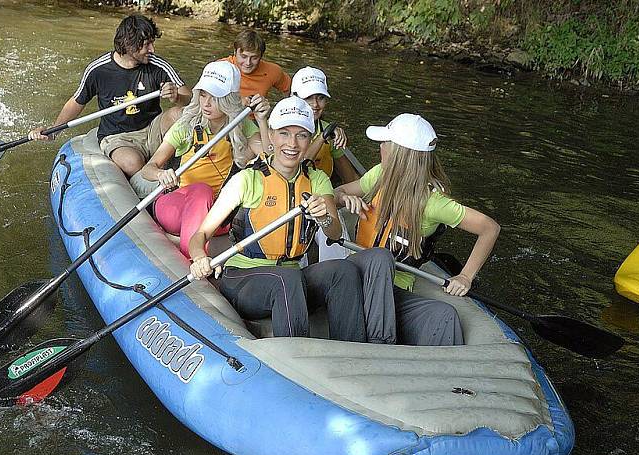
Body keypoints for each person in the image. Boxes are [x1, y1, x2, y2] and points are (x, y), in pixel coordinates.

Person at [188, 96, 395, 342]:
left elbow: (335, 234)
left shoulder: (317, 179)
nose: (292, 143)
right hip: (244, 279)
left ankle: (351, 352)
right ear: (272, 136)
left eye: (302, 135)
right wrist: (200, 257)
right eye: (284, 133)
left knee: (343, 271)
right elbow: (199, 236)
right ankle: (298, 355)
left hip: (293, 274)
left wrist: (324, 218)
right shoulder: (247, 180)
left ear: (309, 141)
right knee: (286, 279)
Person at [334, 113, 501, 346]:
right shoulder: (379, 175)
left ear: (399, 155)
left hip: (395, 287)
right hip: (356, 274)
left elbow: (489, 228)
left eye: (385, 143)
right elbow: (338, 192)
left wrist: (466, 276)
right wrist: (344, 198)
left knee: (445, 314)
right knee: (378, 259)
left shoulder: (432, 203)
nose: (380, 146)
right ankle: (375, 345)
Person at [29, 14, 191, 179]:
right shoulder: (99, 70)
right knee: (132, 163)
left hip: (152, 128)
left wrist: (176, 96)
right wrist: (53, 131)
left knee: (179, 114)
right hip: (117, 136)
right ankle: (151, 177)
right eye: (146, 44)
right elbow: (77, 102)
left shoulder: (157, 65)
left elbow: (189, 98)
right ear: (129, 44)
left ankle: (175, 166)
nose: (152, 49)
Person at [138, 61, 270, 258]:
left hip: (215, 217)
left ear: (229, 100)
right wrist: (161, 174)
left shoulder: (242, 127)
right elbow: (148, 168)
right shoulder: (187, 125)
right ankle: (194, 258)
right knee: (202, 190)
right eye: (203, 95)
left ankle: (185, 241)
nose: (206, 103)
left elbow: (271, 156)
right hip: (174, 205)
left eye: (215, 98)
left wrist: (261, 120)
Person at [291, 66, 358, 185]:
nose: (315, 104)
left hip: (322, 193)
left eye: (320, 98)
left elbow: (350, 178)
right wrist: (323, 136)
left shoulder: (331, 132)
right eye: (308, 98)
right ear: (293, 97)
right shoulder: (280, 128)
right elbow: (294, 171)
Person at [222, 29, 290, 99]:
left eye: (254, 58)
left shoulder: (273, 71)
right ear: (235, 52)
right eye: (243, 56)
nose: (248, 63)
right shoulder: (220, 68)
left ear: (261, 56)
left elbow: (291, 91)